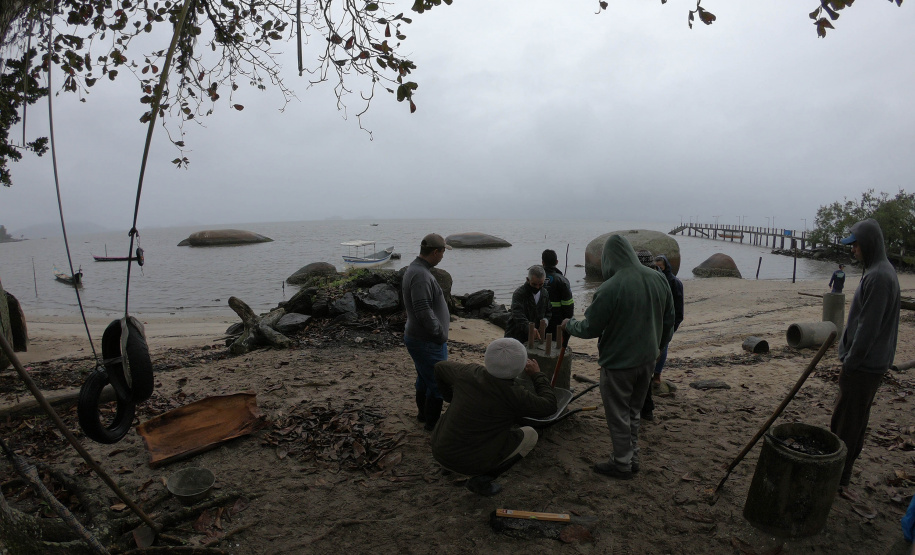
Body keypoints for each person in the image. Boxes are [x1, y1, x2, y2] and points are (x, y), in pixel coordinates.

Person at [560, 235, 674, 480]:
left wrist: (569, 324)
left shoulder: (609, 287)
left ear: (609, 259)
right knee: (633, 411)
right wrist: (658, 349)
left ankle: (621, 463)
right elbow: (669, 321)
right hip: (647, 360)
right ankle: (632, 457)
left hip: (618, 363)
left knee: (618, 414)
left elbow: (590, 328)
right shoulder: (658, 278)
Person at [431, 338, 558, 496]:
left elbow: (439, 367)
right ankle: (483, 479)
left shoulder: (467, 373)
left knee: (459, 417)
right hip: (471, 465)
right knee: (531, 435)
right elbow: (550, 406)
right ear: (520, 367)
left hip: (439, 451)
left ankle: (446, 468)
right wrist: (537, 375)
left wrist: (450, 397)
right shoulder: (515, 395)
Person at [831, 219, 900, 491]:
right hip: (867, 364)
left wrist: (850, 362)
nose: (853, 251)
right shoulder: (878, 271)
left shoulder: (879, 277)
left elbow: (868, 329)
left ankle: (837, 477)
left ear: (868, 244)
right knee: (852, 420)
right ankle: (840, 475)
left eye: (856, 245)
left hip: (864, 366)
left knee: (847, 423)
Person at [402, 233, 452, 431]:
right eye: (442, 252)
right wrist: (439, 334)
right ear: (435, 252)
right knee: (438, 384)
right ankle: (432, 425)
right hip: (427, 340)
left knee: (424, 379)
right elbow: (423, 310)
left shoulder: (416, 270)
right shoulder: (421, 275)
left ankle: (423, 415)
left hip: (421, 338)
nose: (443, 256)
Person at [641, 254, 684, 422]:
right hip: (652, 324)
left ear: (664, 267)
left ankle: (657, 375)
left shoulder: (672, 282)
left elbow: (677, 309)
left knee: (662, 348)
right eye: (655, 266)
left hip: (665, 323)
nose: (657, 269)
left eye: (660, 266)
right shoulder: (649, 280)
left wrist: (673, 326)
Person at [503, 265, 552, 343]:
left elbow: (548, 311)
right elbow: (517, 314)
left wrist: (545, 321)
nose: (537, 287)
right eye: (534, 284)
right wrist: (529, 327)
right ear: (527, 280)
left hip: (534, 337)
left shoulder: (545, 293)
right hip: (515, 334)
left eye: (540, 284)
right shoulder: (519, 293)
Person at [542, 249, 574, 347]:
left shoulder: (536, 277)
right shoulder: (562, 280)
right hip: (558, 320)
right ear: (556, 262)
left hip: (540, 320)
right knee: (557, 347)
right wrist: (568, 322)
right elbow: (568, 305)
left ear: (542, 262)